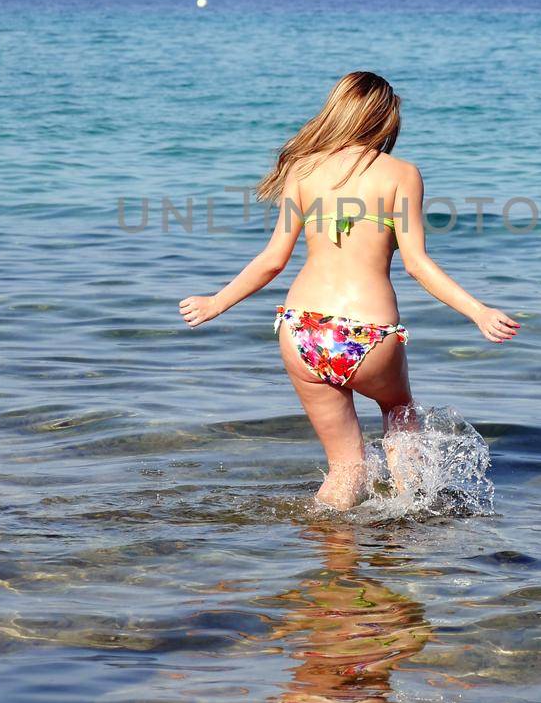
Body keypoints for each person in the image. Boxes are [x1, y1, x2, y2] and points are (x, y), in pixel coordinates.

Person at [179, 71, 519, 508]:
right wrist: (478, 311)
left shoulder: (303, 170)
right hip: (368, 333)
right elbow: (417, 264)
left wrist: (215, 303)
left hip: (301, 331)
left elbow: (273, 260)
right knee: (399, 414)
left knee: (346, 468)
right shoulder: (401, 174)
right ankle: (408, 525)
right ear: (384, 119)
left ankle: (330, 560)